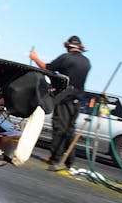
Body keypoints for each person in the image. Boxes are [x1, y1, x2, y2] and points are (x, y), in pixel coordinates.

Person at [29, 35, 91, 171]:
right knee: (70, 130)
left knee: (59, 128)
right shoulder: (86, 62)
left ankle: (55, 158)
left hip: (64, 98)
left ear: (68, 45)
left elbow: (47, 68)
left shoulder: (66, 58)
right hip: (77, 101)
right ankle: (69, 161)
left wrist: (34, 58)